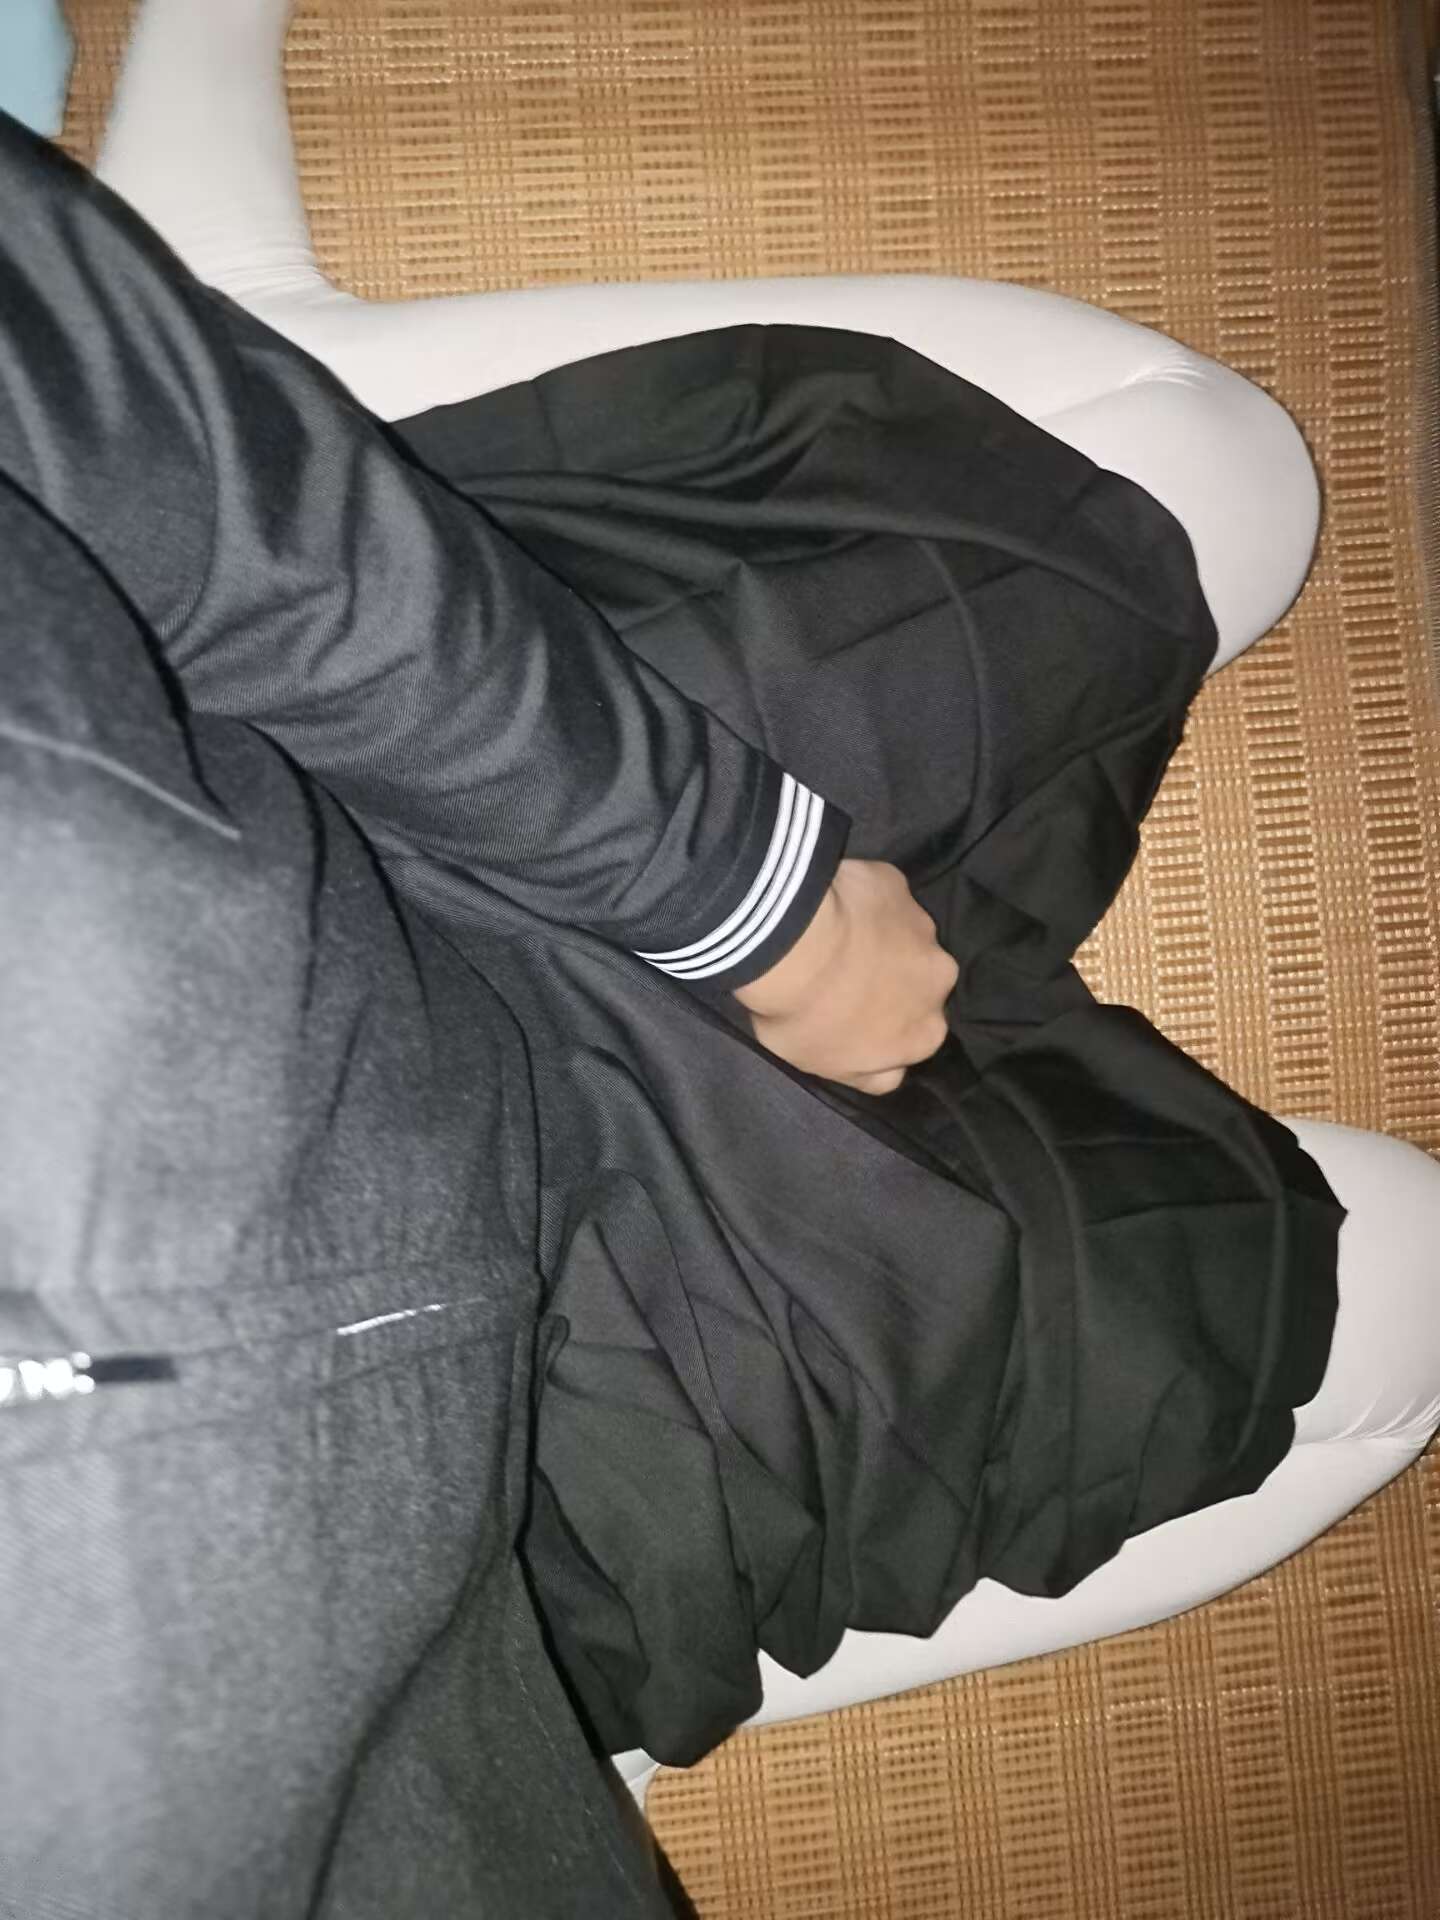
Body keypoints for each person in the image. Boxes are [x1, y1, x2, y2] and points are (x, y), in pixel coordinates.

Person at [1, 4, 1435, 1915]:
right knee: (1405, 1287)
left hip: (339, 854)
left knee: (1220, 478)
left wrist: (739, 886)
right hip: (530, 1521)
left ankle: (260, 408)